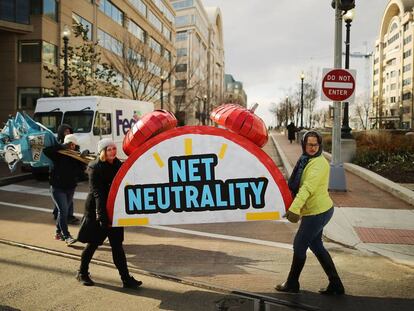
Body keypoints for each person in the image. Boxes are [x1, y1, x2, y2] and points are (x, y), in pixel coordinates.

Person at [275, 131, 345, 295]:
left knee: (299, 245)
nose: (312, 148)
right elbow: (296, 184)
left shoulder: (319, 164)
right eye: (309, 144)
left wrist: (294, 208)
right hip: (317, 210)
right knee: (316, 246)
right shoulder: (305, 160)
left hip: (317, 212)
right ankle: (336, 284)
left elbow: (307, 188)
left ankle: (292, 283)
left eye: (315, 145)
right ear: (304, 145)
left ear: (320, 145)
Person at [76, 138, 142, 289]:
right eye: (109, 149)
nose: (113, 151)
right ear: (103, 152)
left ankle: (126, 279)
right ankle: (82, 272)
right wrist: (101, 216)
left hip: (114, 211)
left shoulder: (118, 164)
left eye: (113, 148)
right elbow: (98, 193)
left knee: (117, 246)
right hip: (97, 211)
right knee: (92, 244)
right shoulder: (94, 167)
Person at [43, 134, 85, 245]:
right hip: (57, 188)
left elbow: (81, 171)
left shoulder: (76, 155)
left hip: (70, 187)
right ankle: (66, 236)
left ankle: (58, 233)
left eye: (73, 145)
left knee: (63, 212)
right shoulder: (58, 154)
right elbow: (46, 151)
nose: (72, 146)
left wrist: (82, 158)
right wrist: (61, 147)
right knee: (63, 211)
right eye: (69, 144)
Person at [52, 124, 80, 225]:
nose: (67, 133)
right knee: (61, 201)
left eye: (69, 132)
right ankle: (62, 218)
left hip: (70, 181)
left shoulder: (75, 146)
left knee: (67, 200)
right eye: (65, 132)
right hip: (59, 179)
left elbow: (79, 162)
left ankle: (67, 216)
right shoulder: (58, 146)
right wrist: (61, 147)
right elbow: (49, 151)